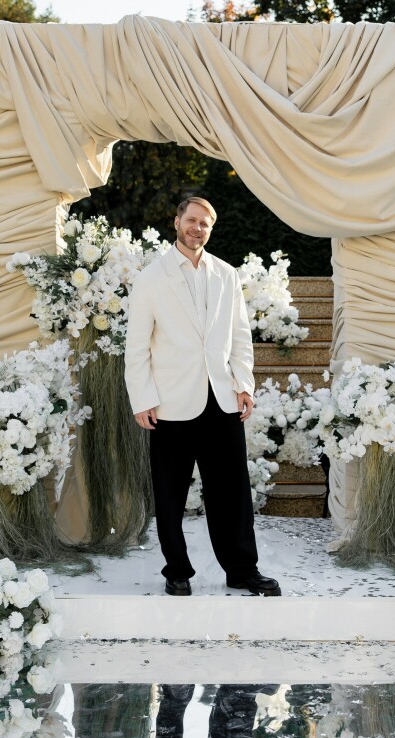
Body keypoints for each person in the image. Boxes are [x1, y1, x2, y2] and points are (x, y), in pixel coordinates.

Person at [124, 196, 280, 597]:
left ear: (211, 229)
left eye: (205, 223)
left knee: (232, 493)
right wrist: (142, 398)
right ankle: (177, 570)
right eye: (192, 220)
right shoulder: (151, 278)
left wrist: (244, 384)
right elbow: (136, 346)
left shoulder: (226, 274)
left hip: (222, 400)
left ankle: (242, 570)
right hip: (170, 402)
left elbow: (240, 335)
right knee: (170, 494)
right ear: (176, 222)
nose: (198, 228)